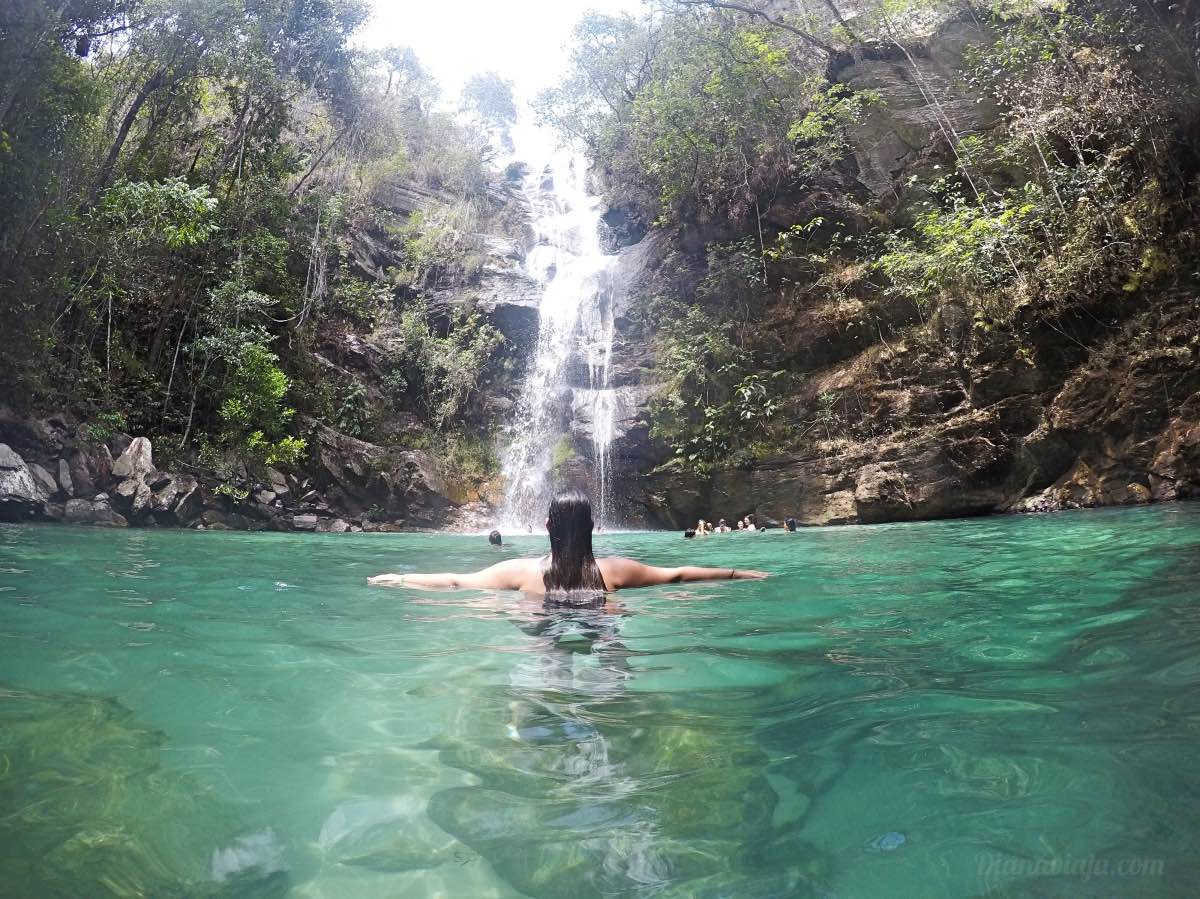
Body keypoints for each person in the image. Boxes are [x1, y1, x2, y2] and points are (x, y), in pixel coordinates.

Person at [368, 490, 767, 593]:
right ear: (594, 527)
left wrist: (401, 579)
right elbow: (678, 575)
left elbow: (456, 581)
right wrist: (736, 572)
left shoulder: (522, 572)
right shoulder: (614, 570)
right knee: (612, 649)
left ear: (546, 526)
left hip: (541, 613)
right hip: (598, 611)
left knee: (542, 661)